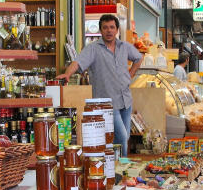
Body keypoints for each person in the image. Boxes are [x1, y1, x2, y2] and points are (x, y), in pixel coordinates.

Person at [59, 14, 142, 151]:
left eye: (112, 27)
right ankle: (121, 167)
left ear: (117, 30)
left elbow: (138, 58)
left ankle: (114, 166)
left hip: (125, 99)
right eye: (105, 28)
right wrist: (68, 74)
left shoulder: (124, 47)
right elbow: (78, 62)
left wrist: (130, 74)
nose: (109, 31)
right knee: (121, 136)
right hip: (106, 103)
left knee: (124, 137)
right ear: (100, 30)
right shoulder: (93, 49)